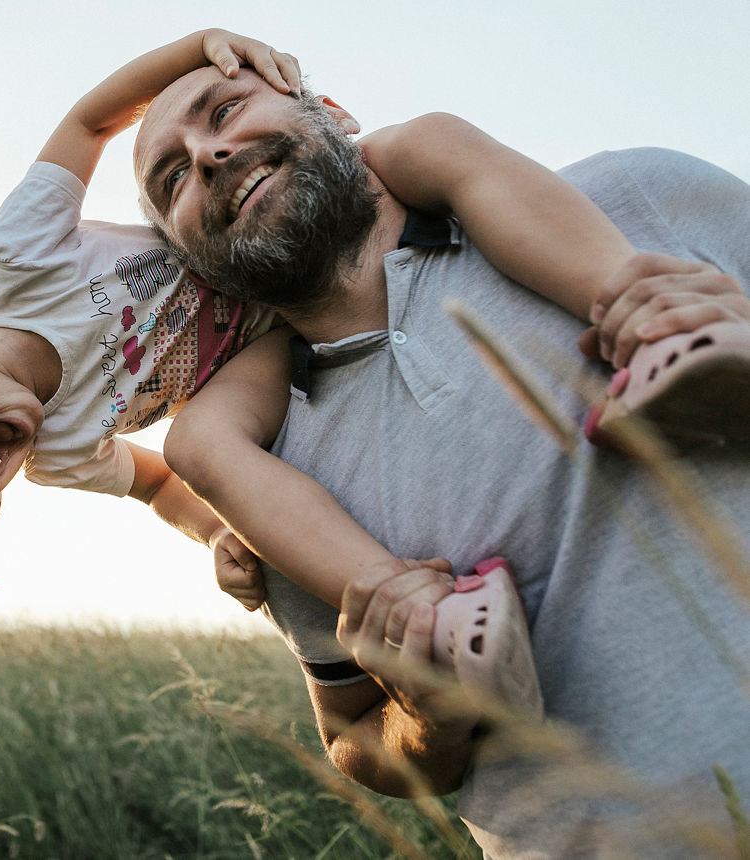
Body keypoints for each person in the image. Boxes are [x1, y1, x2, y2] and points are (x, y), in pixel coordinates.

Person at [0, 29, 710, 765]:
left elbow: (83, 122)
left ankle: (656, 320)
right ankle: (424, 621)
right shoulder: (65, 450)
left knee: (436, 139)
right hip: (264, 331)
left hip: (317, 261)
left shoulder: (21, 259)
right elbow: (159, 480)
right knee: (202, 444)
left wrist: (190, 51)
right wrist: (225, 537)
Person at [135, 61, 750, 855]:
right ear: (190, 255)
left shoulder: (636, 198)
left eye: (225, 110)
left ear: (331, 112)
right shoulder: (266, 481)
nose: (209, 157)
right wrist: (427, 717)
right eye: (172, 175)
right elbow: (353, 735)